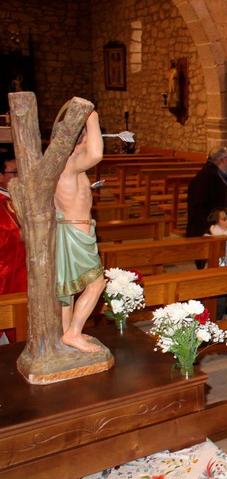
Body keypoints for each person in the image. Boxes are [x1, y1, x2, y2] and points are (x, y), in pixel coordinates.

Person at [53, 111, 106, 353]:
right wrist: (92, 118)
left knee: (70, 288)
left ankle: (67, 333)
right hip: (76, 233)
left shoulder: (62, 164)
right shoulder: (70, 162)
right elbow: (96, 153)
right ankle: (73, 332)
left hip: (70, 230)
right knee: (96, 284)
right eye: (85, 135)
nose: (88, 139)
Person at [0, 152, 26, 345]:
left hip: (22, 273)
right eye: (14, 172)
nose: (20, 176)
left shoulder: (17, 198)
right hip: (7, 274)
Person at [187, 147, 227, 239]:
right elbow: (202, 207)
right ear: (223, 160)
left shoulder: (218, 175)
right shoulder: (209, 177)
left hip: (215, 224)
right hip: (207, 229)